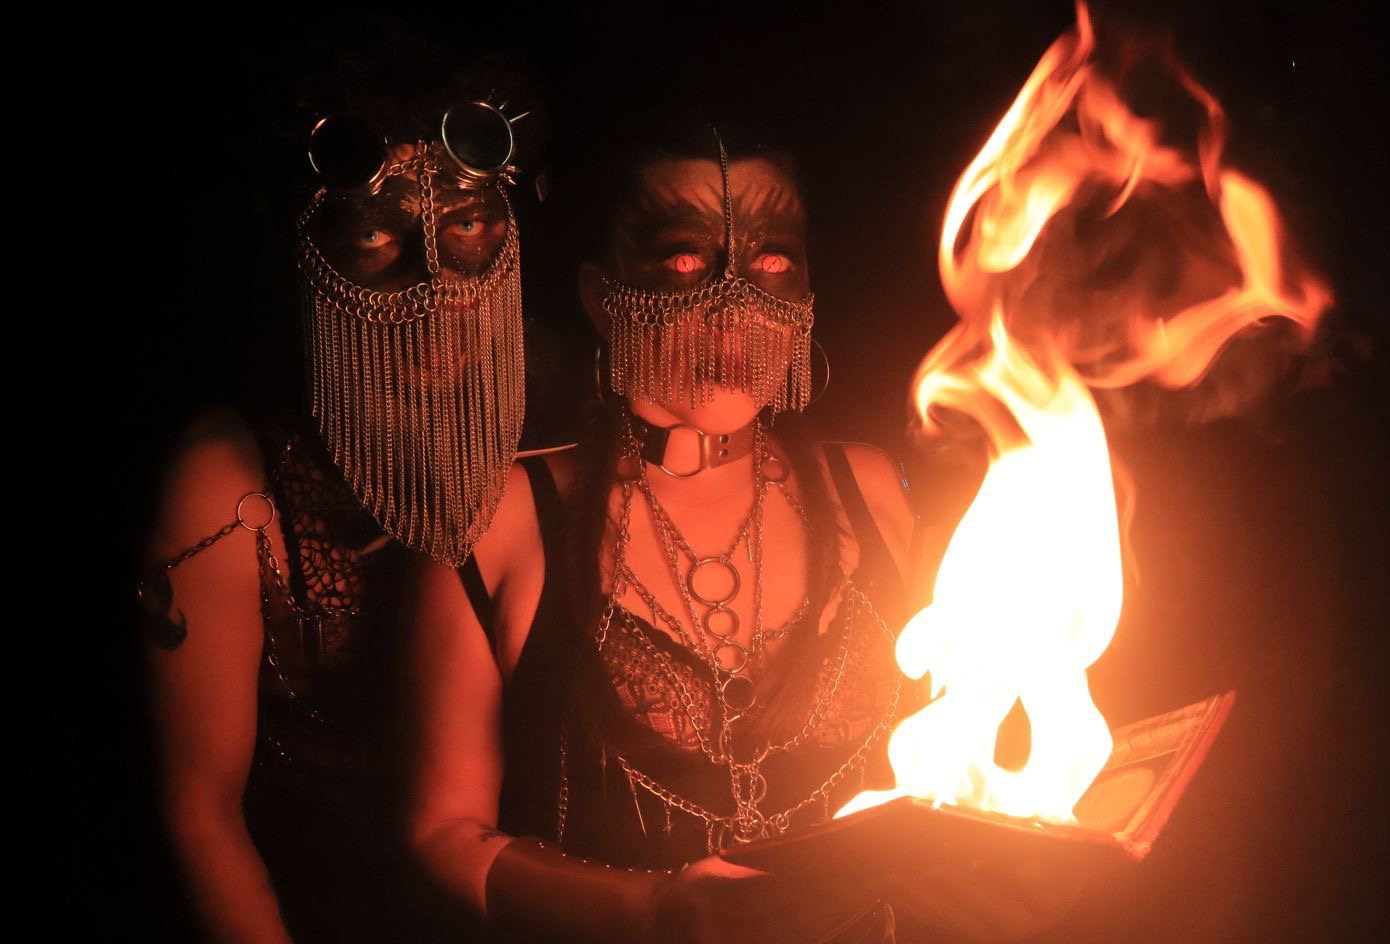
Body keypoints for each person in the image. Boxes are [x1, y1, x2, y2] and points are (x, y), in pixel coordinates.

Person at [405, 119, 1078, 943]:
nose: (733, 314)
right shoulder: (497, 517)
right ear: (600, 297)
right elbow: (443, 834)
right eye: (684, 262)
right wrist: (653, 911)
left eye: (772, 263)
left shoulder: (867, 488)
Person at [138, 43, 531, 942]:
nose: (433, 284)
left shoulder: (555, 427)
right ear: (305, 253)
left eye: (468, 223)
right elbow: (202, 816)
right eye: (374, 236)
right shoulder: (233, 487)